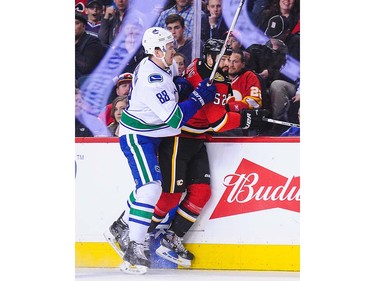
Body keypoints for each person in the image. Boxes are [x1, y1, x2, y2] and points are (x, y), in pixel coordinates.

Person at [146, 39, 269, 267]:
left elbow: (221, 108)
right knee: (170, 195)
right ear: (208, 56)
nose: (225, 63)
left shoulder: (202, 68)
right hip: (179, 139)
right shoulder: (210, 80)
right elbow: (219, 121)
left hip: (197, 138)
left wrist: (242, 109)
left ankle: (171, 239)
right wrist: (245, 119)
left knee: (201, 193)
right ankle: (135, 234)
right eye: (221, 58)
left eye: (227, 58)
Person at [105, 27, 217, 274]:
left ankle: (121, 226)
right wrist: (198, 98)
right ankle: (134, 247)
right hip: (139, 136)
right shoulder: (150, 79)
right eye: (169, 47)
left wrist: (181, 85)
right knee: (151, 188)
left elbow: (172, 84)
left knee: (149, 188)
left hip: (156, 135)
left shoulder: (162, 65)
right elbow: (175, 118)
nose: (173, 50)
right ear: (156, 51)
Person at [216, 50, 264, 136]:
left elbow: (255, 102)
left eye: (235, 61)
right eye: (229, 60)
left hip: (239, 124)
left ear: (243, 64)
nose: (231, 65)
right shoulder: (217, 77)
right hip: (217, 122)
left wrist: (229, 107)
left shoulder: (249, 76)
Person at [75, 12, 105, 80]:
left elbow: (86, 68)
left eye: (76, 23)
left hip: (88, 82)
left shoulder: (93, 42)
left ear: (84, 26)